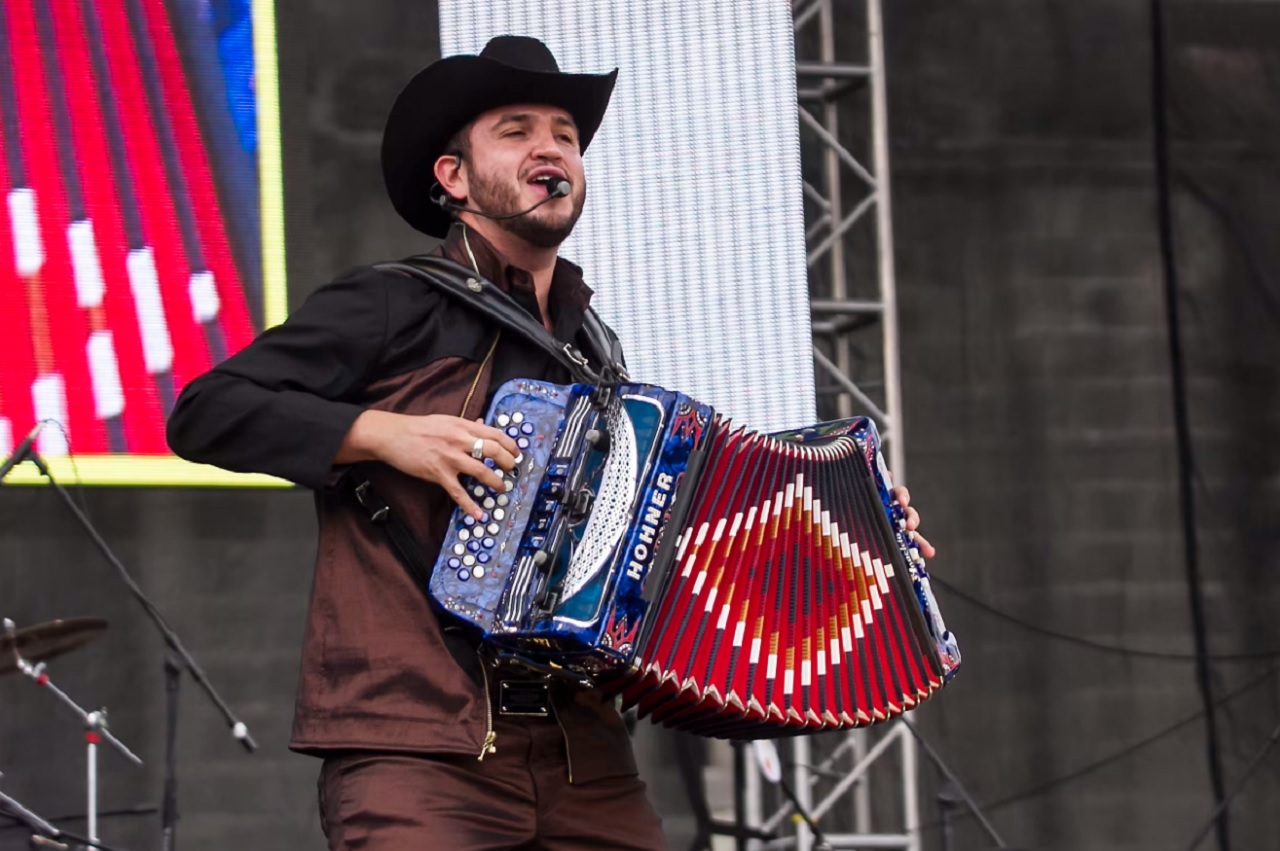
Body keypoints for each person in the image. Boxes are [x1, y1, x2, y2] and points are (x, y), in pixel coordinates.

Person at [167, 35, 933, 851]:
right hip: (422, 746)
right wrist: (382, 434)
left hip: (587, 761)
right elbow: (206, 410)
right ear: (452, 177)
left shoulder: (598, 354)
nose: (550, 148)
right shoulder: (392, 304)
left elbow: (662, 548)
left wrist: (859, 541)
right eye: (517, 129)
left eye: (565, 134)